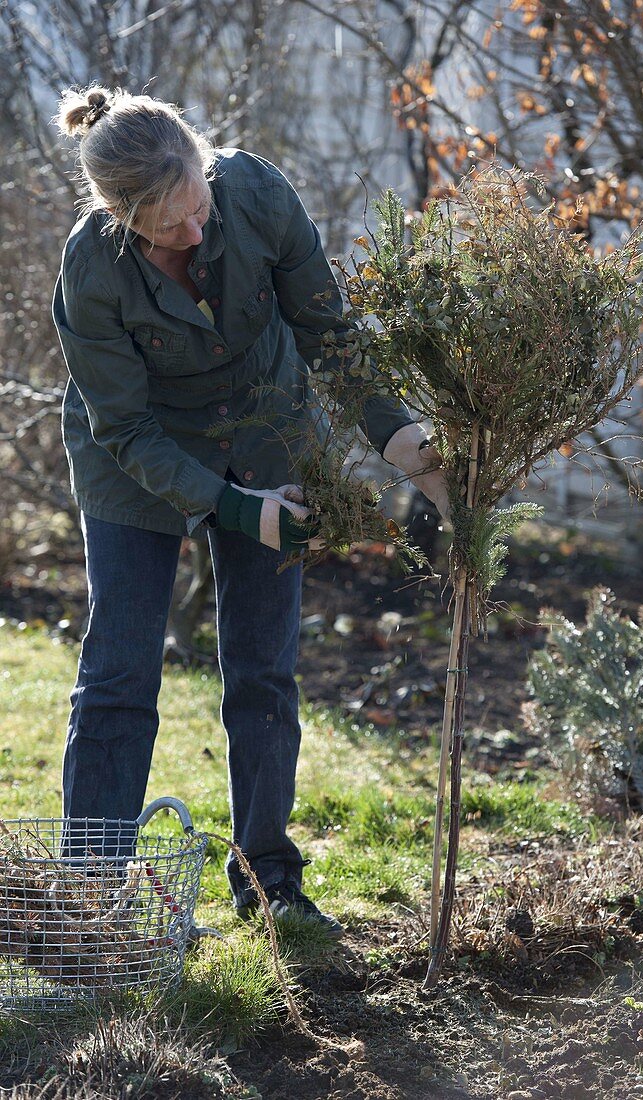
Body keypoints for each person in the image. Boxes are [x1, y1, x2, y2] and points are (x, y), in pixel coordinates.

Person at [52, 84, 449, 936]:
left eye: (198, 206)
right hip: (136, 459)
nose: (195, 233)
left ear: (205, 166)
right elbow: (121, 426)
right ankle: (92, 892)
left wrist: (403, 442)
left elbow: (329, 335)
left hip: (266, 428)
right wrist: (234, 509)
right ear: (123, 218)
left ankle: (267, 875)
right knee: (121, 668)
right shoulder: (90, 271)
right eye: (169, 227)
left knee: (264, 667)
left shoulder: (256, 192)